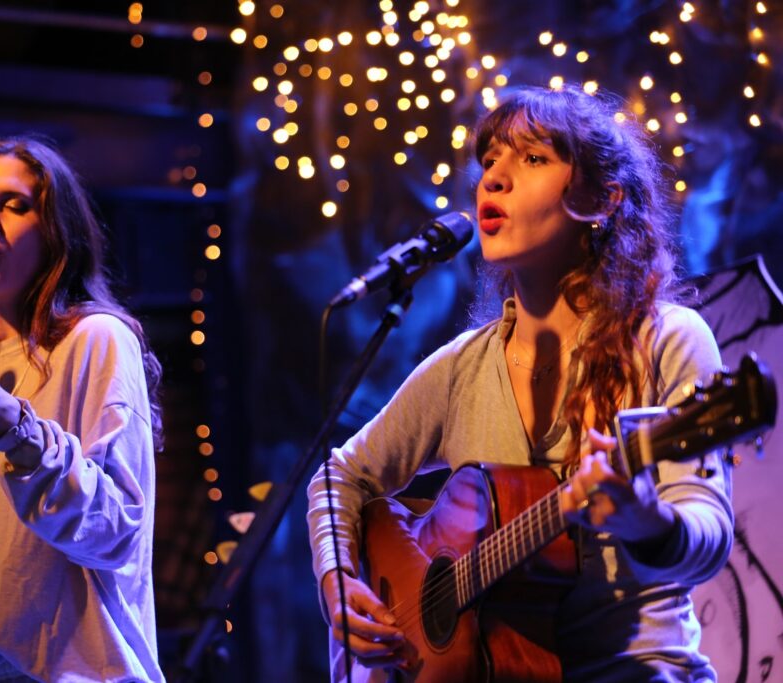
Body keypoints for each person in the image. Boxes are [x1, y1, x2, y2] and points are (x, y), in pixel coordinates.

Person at [307, 85, 733, 682]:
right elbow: (339, 477)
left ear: (602, 199)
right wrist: (337, 580)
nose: (494, 179)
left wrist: (645, 521)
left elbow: (710, 535)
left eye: (533, 158)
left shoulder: (667, 340)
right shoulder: (462, 368)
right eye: (489, 160)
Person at [0, 137, 165, 683]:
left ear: (56, 232)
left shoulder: (96, 339)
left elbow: (116, 531)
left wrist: (13, 427)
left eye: (14, 205)